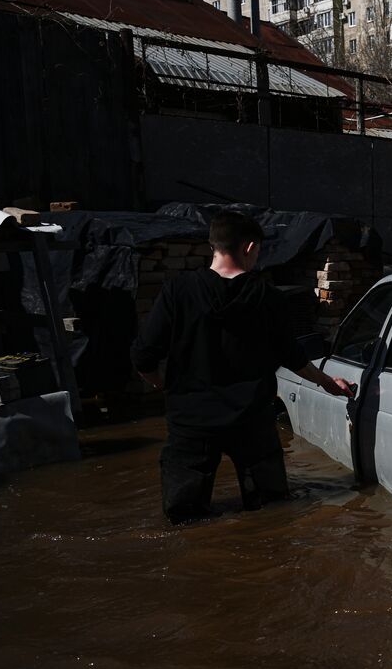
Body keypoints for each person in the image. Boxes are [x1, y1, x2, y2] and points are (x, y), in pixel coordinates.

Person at [132, 210, 353, 524]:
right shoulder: (269, 298)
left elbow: (143, 355)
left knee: (184, 520)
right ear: (250, 248)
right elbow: (293, 358)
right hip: (251, 422)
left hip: (191, 422)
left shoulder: (178, 292)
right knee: (271, 512)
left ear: (214, 246)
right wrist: (328, 382)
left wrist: (162, 384)